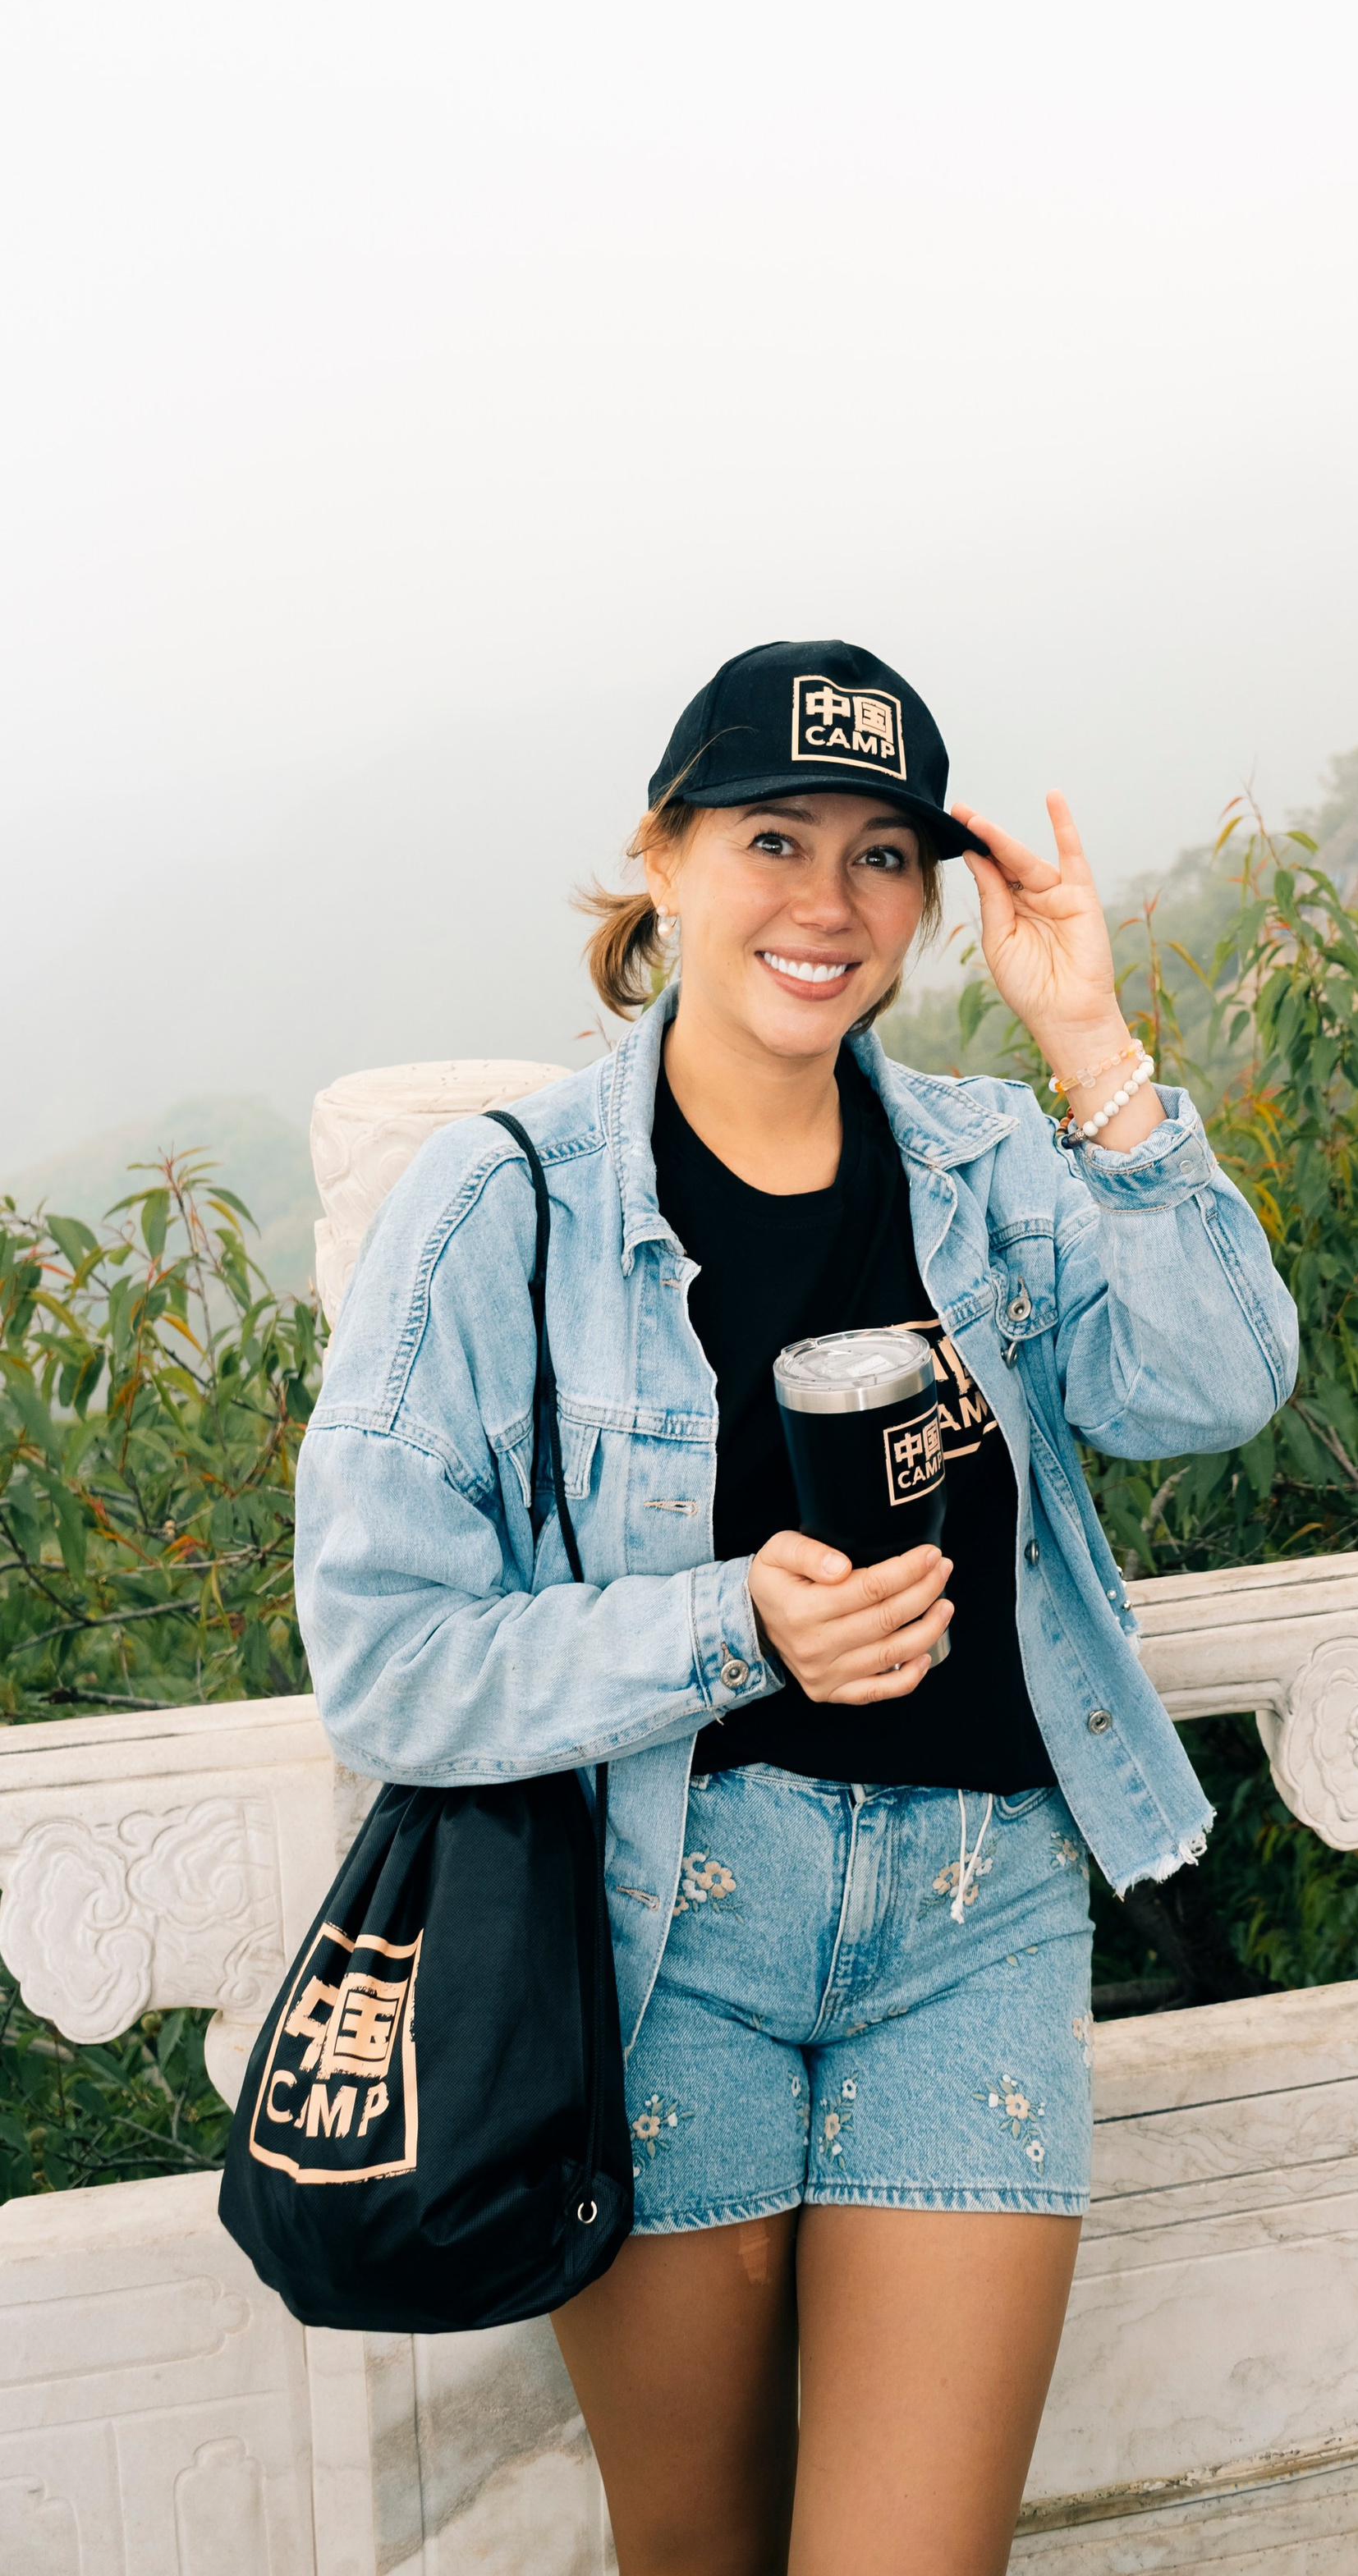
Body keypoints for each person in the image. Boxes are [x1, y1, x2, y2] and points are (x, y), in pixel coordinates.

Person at [296, 639, 1297, 2576]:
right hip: (668, 1939)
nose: (827, 904)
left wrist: (1092, 1054)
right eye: (772, 838)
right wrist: (732, 1626)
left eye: (881, 856)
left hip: (974, 1915)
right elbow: (389, 1663)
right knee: (700, 2552)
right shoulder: (498, 1208)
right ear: (662, 862)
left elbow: (1217, 1380)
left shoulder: (992, 1166)